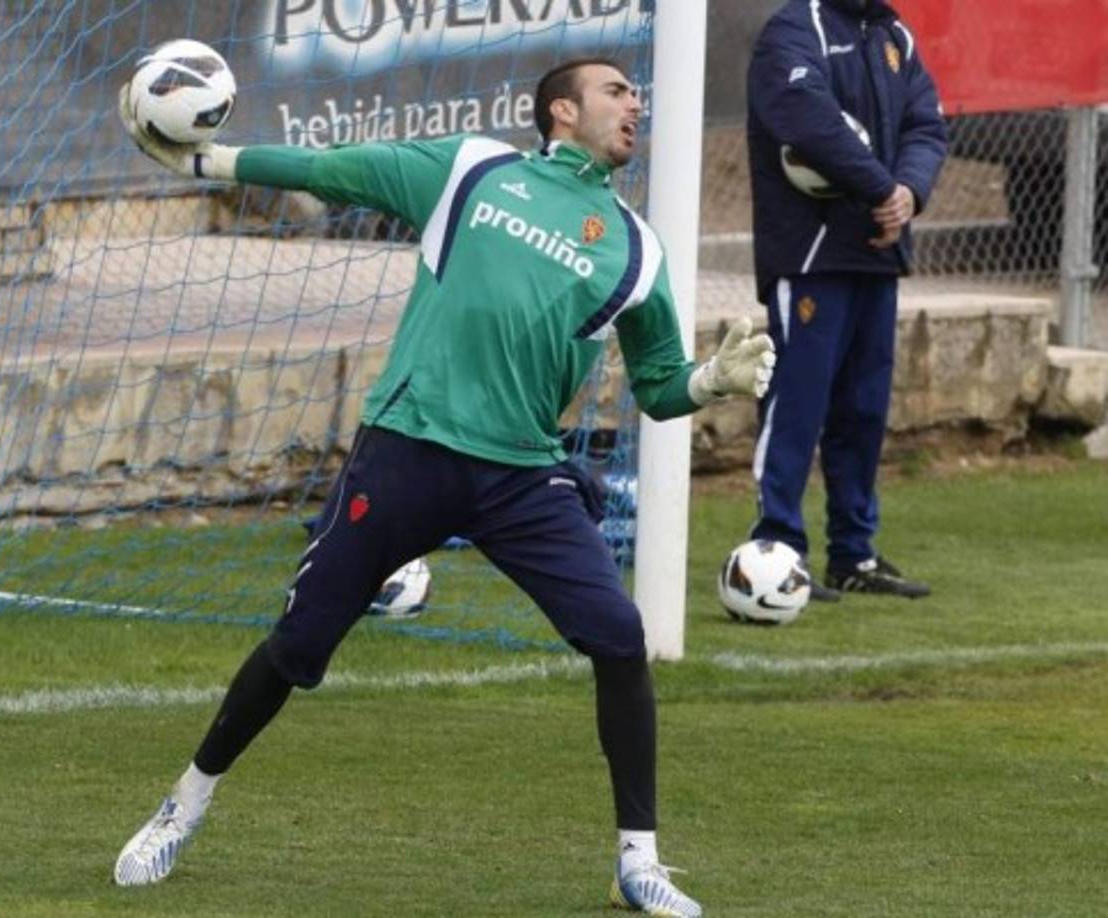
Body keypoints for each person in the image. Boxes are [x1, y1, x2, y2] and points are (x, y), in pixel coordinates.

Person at [111, 56, 776, 917]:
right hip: (407, 450)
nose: (634, 104)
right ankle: (184, 804)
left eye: (634, 94)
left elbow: (657, 385)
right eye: (616, 91)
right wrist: (211, 161)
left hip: (523, 475)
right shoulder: (473, 169)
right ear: (562, 110)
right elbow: (331, 170)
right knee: (299, 647)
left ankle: (638, 862)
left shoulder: (637, 249)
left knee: (619, 635)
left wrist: (710, 381)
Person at [744, 0, 948, 601]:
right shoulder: (794, 28)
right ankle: (778, 550)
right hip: (811, 254)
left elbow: (926, 125)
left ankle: (854, 554)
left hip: (877, 254)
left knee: (863, 411)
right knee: (797, 404)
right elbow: (805, 118)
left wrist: (909, 190)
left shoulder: (894, 35)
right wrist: (880, 188)